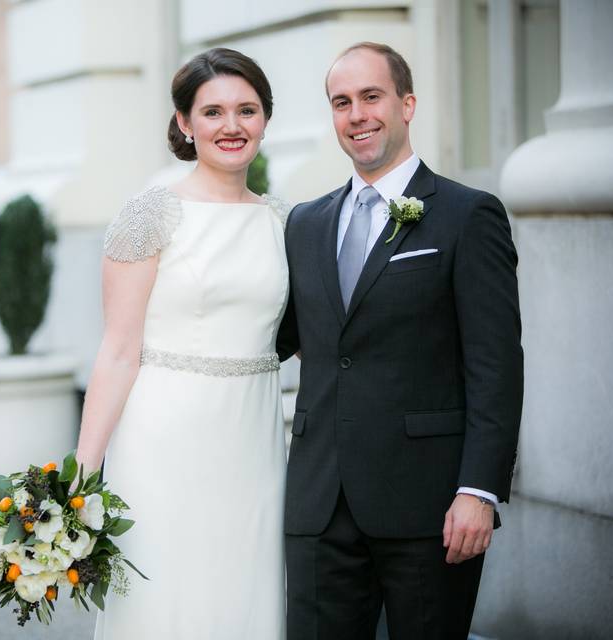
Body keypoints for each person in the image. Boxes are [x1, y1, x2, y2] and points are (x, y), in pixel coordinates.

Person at [277, 42, 523, 639]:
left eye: (371, 97)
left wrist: (479, 490)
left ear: (407, 104)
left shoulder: (468, 215)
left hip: (429, 507)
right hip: (320, 504)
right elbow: (276, 336)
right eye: (342, 102)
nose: (357, 114)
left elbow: (495, 363)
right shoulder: (304, 223)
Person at [74, 48, 290, 639]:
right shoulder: (150, 215)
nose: (231, 126)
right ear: (184, 122)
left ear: (265, 120)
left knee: (245, 594)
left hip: (254, 442)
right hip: (164, 441)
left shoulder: (280, 221)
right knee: (164, 598)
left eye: (247, 110)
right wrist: (82, 473)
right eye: (213, 111)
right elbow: (118, 350)